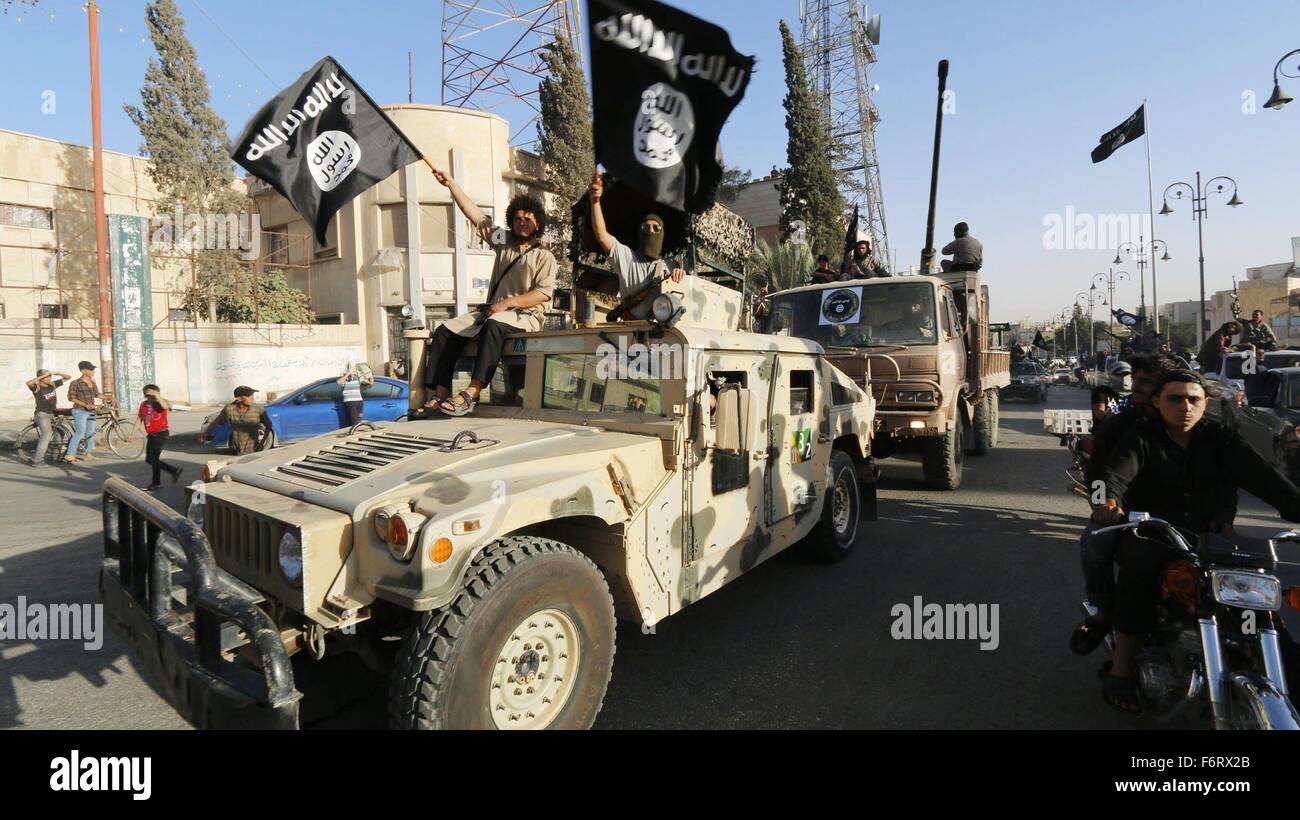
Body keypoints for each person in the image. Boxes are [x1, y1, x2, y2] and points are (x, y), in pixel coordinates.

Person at [1092, 369, 1300, 712]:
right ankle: (1122, 667)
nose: (1185, 406)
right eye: (1175, 399)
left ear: (1206, 403)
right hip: (1157, 533)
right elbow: (1111, 476)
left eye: (1194, 399)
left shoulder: (1221, 438)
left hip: (1214, 537)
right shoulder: (1141, 437)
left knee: (1260, 592)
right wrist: (1107, 503)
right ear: (1158, 402)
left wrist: (1294, 504)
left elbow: (1265, 478)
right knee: (1137, 571)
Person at [422, 166, 557, 417]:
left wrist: (506, 304)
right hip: (492, 312)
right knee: (444, 331)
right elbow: (475, 215)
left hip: (524, 316)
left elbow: (543, 294)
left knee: (493, 325)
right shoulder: (504, 242)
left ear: (538, 222)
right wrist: (451, 184)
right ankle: (440, 395)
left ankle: (471, 393)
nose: (522, 222)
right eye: (517, 219)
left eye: (528, 218)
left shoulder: (544, 256)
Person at [1070, 355, 1173, 656]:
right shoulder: (1119, 426)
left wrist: (1224, 517)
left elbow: (1227, 477)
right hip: (1130, 513)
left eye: (1145, 381)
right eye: (1135, 379)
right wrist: (1105, 504)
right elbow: (1099, 474)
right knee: (1095, 541)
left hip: (1182, 517)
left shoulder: (1200, 431)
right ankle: (1103, 611)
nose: (1135, 386)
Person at [587, 170, 686, 318]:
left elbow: (683, 292)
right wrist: (594, 201)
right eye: (646, 227)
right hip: (631, 330)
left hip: (663, 335)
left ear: (662, 233)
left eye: (656, 228)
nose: (651, 231)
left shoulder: (671, 266)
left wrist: (681, 274)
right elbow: (602, 236)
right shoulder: (627, 259)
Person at [127, 384, 181, 490]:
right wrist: (132, 434)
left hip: (161, 434)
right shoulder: (143, 405)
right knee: (150, 460)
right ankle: (174, 471)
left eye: (155, 393)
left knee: (154, 459)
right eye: (149, 394)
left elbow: (166, 407)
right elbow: (139, 419)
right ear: (145, 395)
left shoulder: (161, 402)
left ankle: (156, 483)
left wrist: (157, 396)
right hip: (152, 435)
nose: (152, 396)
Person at [203, 386, 273, 456]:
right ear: (239, 398)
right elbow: (217, 421)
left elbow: (269, 424)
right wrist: (206, 434)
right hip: (239, 451)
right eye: (248, 396)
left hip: (255, 450)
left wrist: (262, 442)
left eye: (252, 395)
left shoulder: (258, 409)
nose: (252, 398)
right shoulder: (230, 409)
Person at [23, 368, 70, 466]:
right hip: (42, 414)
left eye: (49, 376)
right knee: (47, 434)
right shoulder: (36, 387)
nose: (49, 378)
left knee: (60, 432)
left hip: (53, 413)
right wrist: (41, 376)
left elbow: (68, 377)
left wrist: (57, 372)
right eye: (47, 377)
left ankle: (55, 456)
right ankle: (38, 461)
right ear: (41, 377)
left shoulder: (52, 384)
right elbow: (28, 383)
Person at [64, 360, 101, 464]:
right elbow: (71, 398)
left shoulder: (92, 382)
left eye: (93, 369)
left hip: (91, 411)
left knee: (90, 433)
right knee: (80, 433)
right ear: (83, 371)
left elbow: (97, 394)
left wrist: (109, 397)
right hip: (79, 411)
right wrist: (85, 405)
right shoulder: (75, 383)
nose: (93, 371)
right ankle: (70, 455)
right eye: (90, 369)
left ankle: (88, 454)